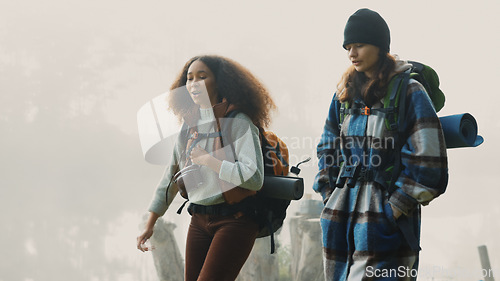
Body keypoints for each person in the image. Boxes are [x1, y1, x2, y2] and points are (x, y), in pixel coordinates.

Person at [313, 8, 448, 280]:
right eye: (348, 47)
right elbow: (327, 145)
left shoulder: (409, 91)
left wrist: (394, 209)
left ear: (380, 46)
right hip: (340, 215)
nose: (352, 53)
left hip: (383, 217)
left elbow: (429, 161)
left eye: (359, 45)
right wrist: (329, 193)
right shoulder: (344, 94)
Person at [137, 55, 276, 281]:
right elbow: (170, 178)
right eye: (190, 79)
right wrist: (151, 222)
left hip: (236, 219)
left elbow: (255, 177)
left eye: (202, 77)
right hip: (199, 219)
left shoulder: (238, 121)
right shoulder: (189, 124)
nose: (194, 84)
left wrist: (209, 161)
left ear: (219, 82)